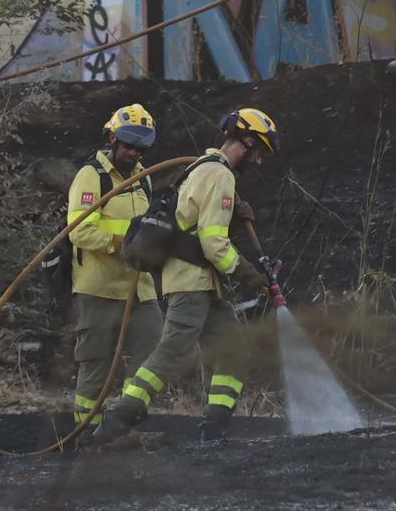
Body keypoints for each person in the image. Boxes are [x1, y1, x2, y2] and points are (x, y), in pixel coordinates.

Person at [90, 108, 281, 446]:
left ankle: (214, 428)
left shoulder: (202, 169)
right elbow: (212, 243)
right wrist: (248, 274)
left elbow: (196, 225)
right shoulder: (220, 175)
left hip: (204, 285)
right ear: (248, 141)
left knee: (233, 350)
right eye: (260, 153)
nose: (260, 162)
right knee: (172, 352)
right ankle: (117, 420)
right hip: (191, 282)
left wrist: (235, 221)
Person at [66, 103, 163, 441]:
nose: (133, 152)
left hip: (141, 288)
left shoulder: (143, 179)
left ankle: (127, 427)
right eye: (128, 145)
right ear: (112, 137)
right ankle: (86, 432)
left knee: (151, 357)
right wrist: (124, 242)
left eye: (140, 147)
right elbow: (79, 231)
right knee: (96, 364)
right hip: (101, 289)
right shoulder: (92, 177)